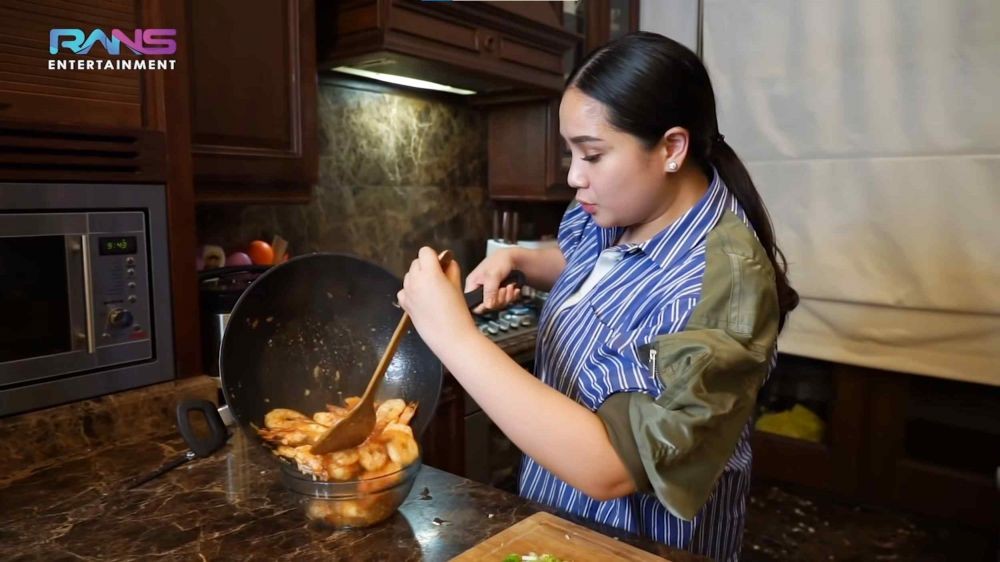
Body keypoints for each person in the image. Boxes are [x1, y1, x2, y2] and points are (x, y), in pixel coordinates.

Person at [396, 31, 799, 562]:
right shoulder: (622, 209)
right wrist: (517, 257)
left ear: (671, 148)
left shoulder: (719, 287)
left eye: (592, 153)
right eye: (570, 151)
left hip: (636, 544)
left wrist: (453, 335)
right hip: (557, 518)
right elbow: (586, 261)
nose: (572, 175)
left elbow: (612, 468)